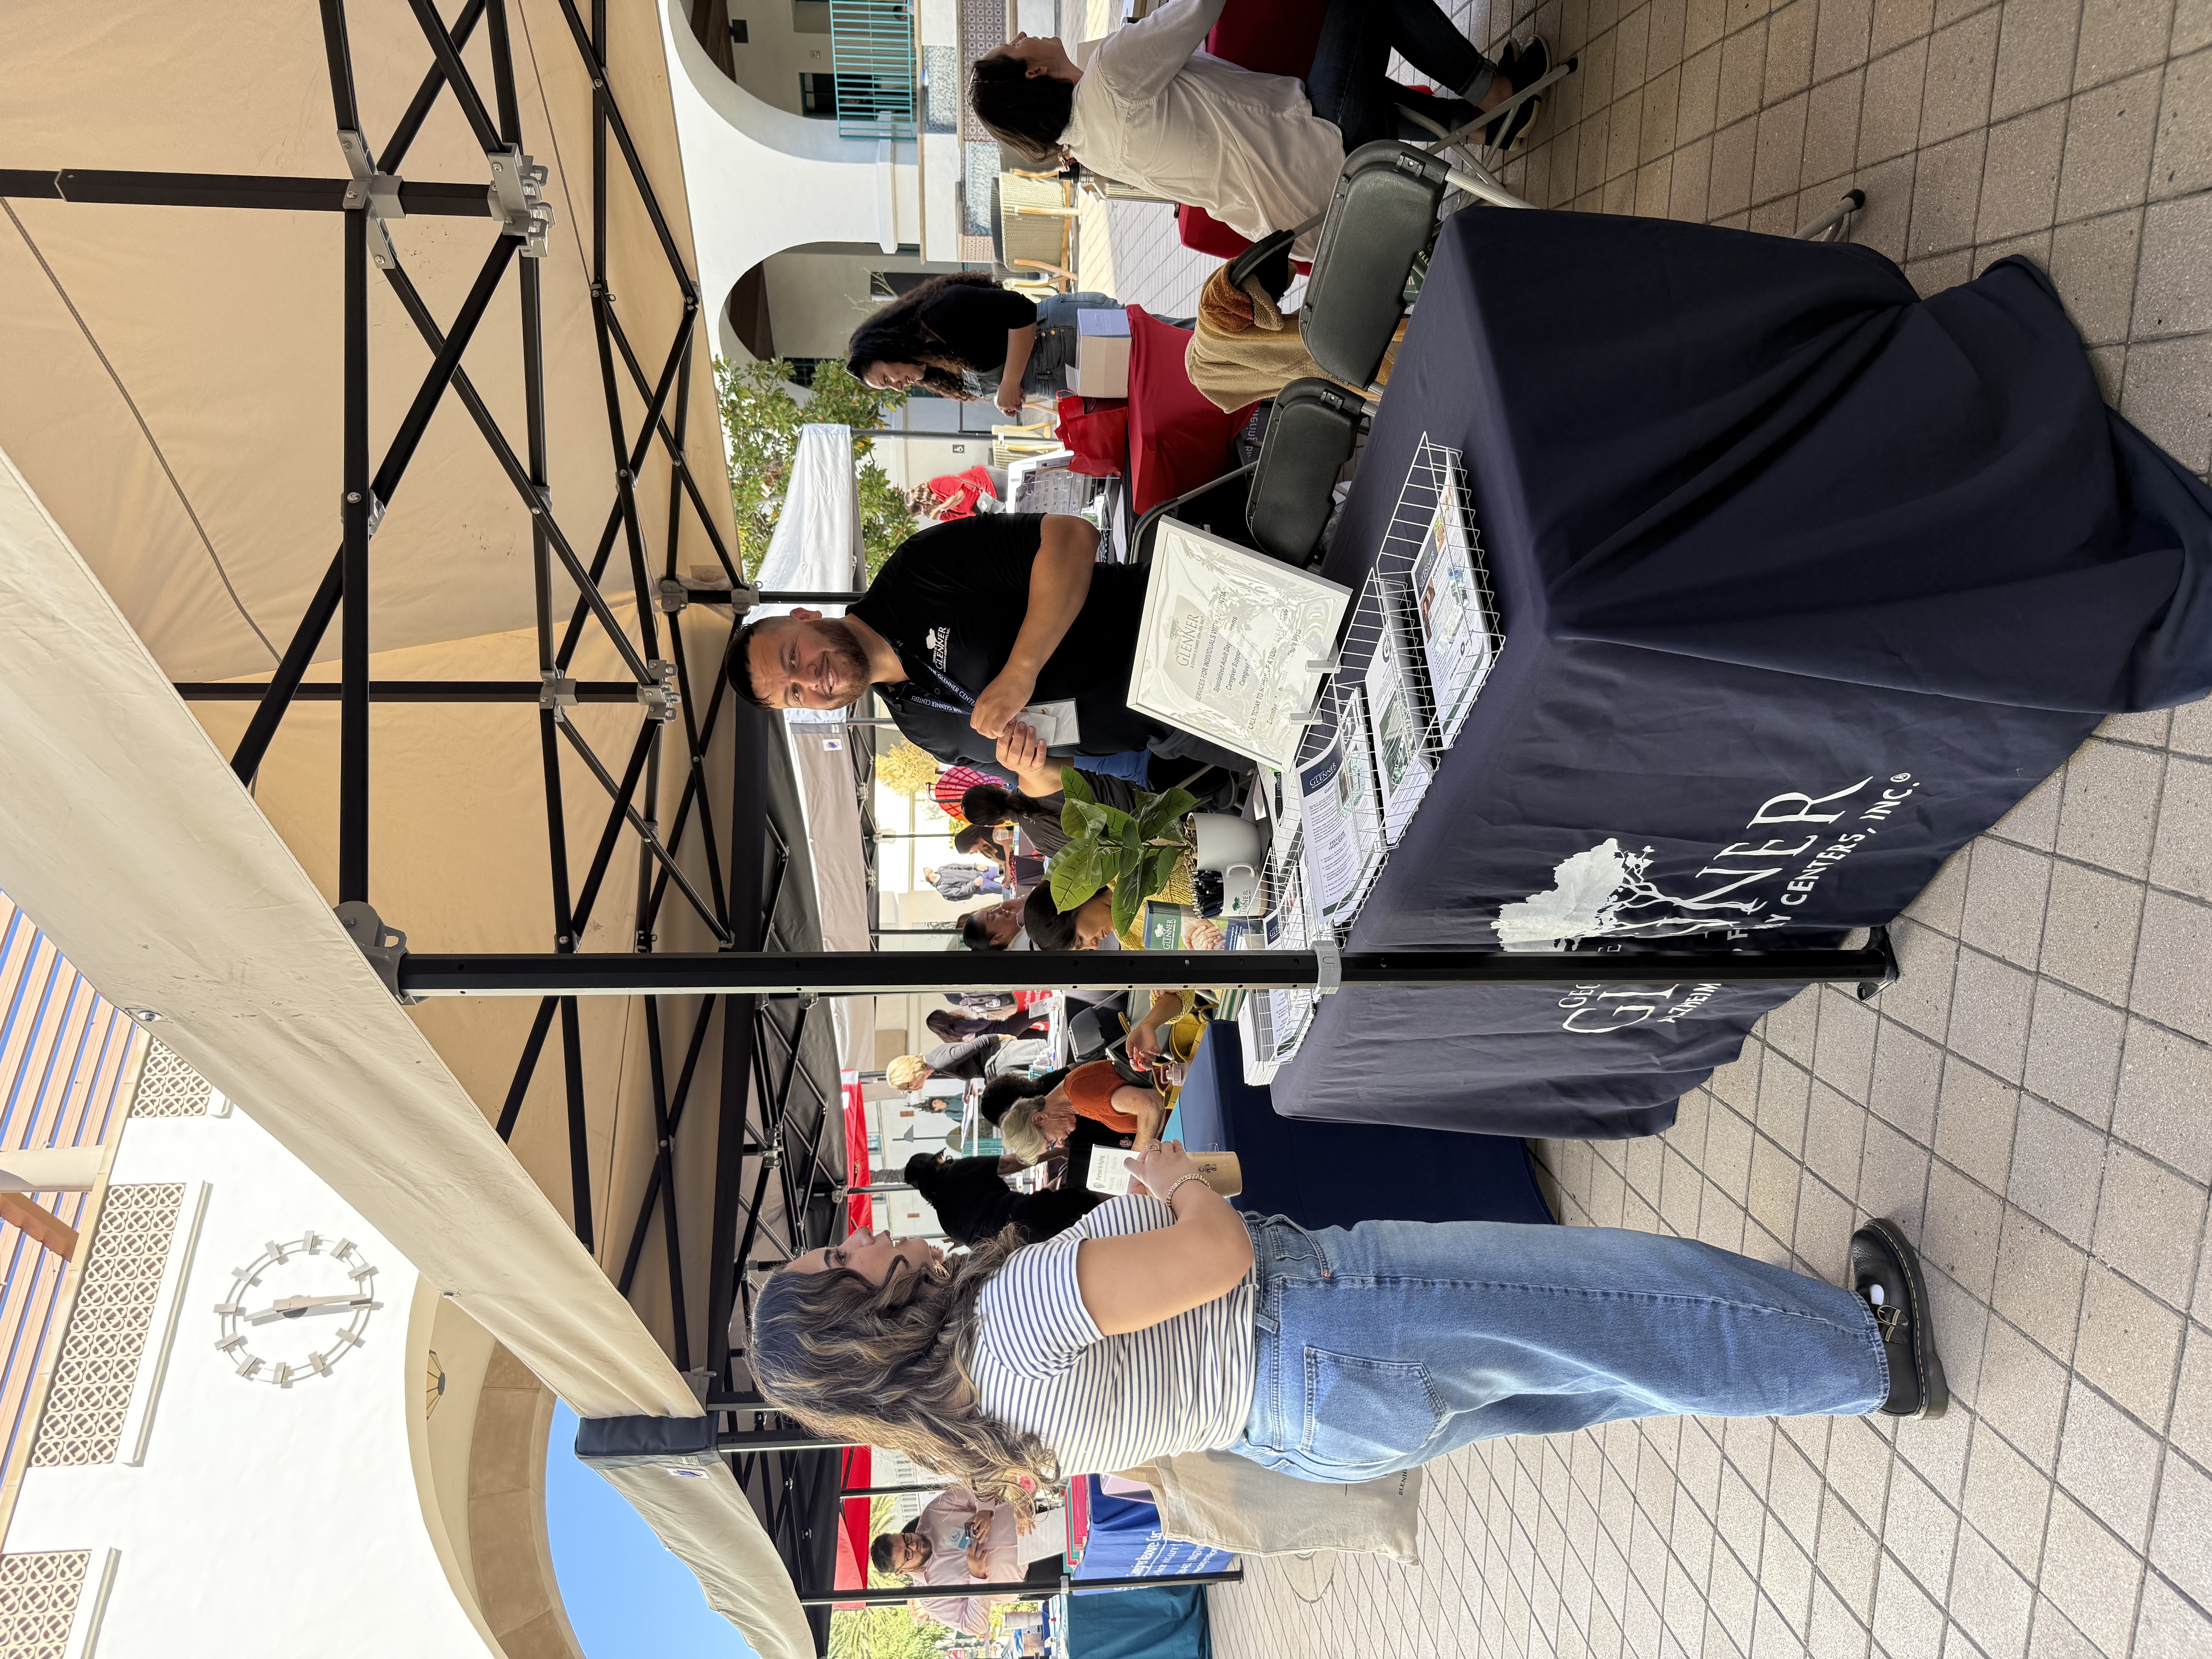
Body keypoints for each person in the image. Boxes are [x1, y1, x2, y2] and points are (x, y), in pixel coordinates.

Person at [751, 1145, 1948, 1515]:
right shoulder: (1006, 1320)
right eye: (839, 1259)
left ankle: (1832, 1369)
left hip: (1306, 1417)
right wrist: (1173, 1176)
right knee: (1615, 1306)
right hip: (1325, 1321)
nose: (861, 1240)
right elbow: (1214, 1255)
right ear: (853, 1313)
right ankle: (1865, 1353)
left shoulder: (980, 1420)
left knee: (1606, 1377)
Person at [968, 1, 1550, 263]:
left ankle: (1479, 130)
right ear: (1034, 71)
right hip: (1327, 152)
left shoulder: (1089, 146)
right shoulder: (1111, 78)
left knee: (1337, 86)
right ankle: (1494, 96)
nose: (1020, 36)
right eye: (1012, 47)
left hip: (1317, 224)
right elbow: (1201, 10)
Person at [730, 512, 1249, 777]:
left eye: (791, 657)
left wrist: (1020, 670)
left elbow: (1071, 537)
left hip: (1200, 629)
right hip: (1180, 728)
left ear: (802, 617)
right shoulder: (919, 729)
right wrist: (1032, 767)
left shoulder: (916, 574)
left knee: (1332, 658)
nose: (809, 680)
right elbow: (1051, 770)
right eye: (794, 694)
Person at [848, 272, 1125, 419]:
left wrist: (1010, 381)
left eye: (887, 378)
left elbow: (1021, 311)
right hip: (1072, 370)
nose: (897, 386)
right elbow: (996, 357)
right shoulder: (932, 365)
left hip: (1073, 335)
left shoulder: (939, 313)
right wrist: (1007, 391)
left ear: (888, 348)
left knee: (1160, 347)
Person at [870, 1487, 1064, 1637]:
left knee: (1090, 1523)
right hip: (1035, 1575)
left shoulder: (934, 1513)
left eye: (906, 1539)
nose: (913, 1546)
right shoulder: (930, 1596)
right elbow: (974, 1626)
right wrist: (977, 1577)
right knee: (1091, 1571)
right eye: (907, 1555)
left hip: (1035, 1522)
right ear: (902, 1572)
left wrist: (984, 1511)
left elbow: (979, 1488)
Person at [960, 723, 1143, 857]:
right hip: (1140, 772)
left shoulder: (1043, 846)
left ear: (996, 823)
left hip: (1147, 825)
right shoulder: (1037, 768)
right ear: (995, 786)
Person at [903, 1151, 1102, 1246]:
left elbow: (990, 1222)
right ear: (935, 1163)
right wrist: (1057, 1152)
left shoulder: (944, 1220)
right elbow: (1008, 1164)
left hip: (1018, 1254)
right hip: (1032, 1216)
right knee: (1096, 1204)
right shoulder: (957, 1171)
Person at [928, 1006, 1044, 1044]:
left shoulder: (954, 1036)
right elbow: (982, 1023)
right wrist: (988, 1010)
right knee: (1037, 1012)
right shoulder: (958, 1027)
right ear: (941, 1019)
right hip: (1004, 1027)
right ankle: (1062, 1007)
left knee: (1040, 1035)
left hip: (1004, 1035)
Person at [960, 899, 1027, 952]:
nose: (999, 909)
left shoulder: (1024, 938)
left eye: (992, 910)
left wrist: (1022, 902)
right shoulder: (1028, 944)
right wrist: (1023, 901)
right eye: (993, 917)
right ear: (997, 939)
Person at [923, 862, 1007, 904]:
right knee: (1006, 889)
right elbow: (960, 892)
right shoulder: (942, 888)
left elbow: (960, 866)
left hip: (981, 872)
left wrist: (976, 866)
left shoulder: (942, 869)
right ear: (927, 876)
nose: (927, 869)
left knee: (1007, 870)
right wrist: (975, 884)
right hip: (980, 886)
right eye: (925, 871)